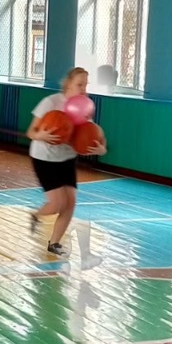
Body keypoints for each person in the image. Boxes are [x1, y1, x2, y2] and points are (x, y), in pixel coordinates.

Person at [26, 67, 107, 256]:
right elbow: (30, 132)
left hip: (67, 159)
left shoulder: (85, 106)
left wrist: (102, 148)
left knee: (70, 203)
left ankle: (54, 243)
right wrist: (41, 135)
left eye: (86, 85)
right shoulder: (51, 102)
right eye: (80, 84)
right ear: (68, 84)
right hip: (44, 158)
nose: (83, 89)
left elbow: (96, 131)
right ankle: (36, 215)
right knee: (57, 204)